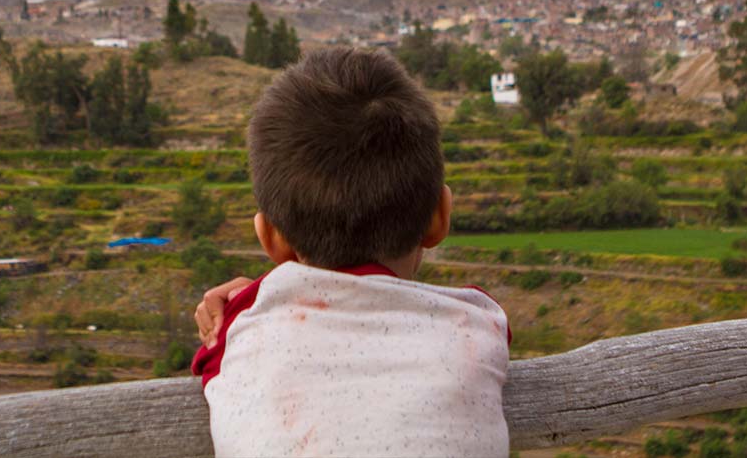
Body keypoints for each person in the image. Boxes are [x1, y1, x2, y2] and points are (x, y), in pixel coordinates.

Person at [192, 46, 511, 457]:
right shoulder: (477, 321)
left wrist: (243, 301)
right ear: (440, 217)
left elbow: (212, 358)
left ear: (270, 238)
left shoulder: (243, 332)